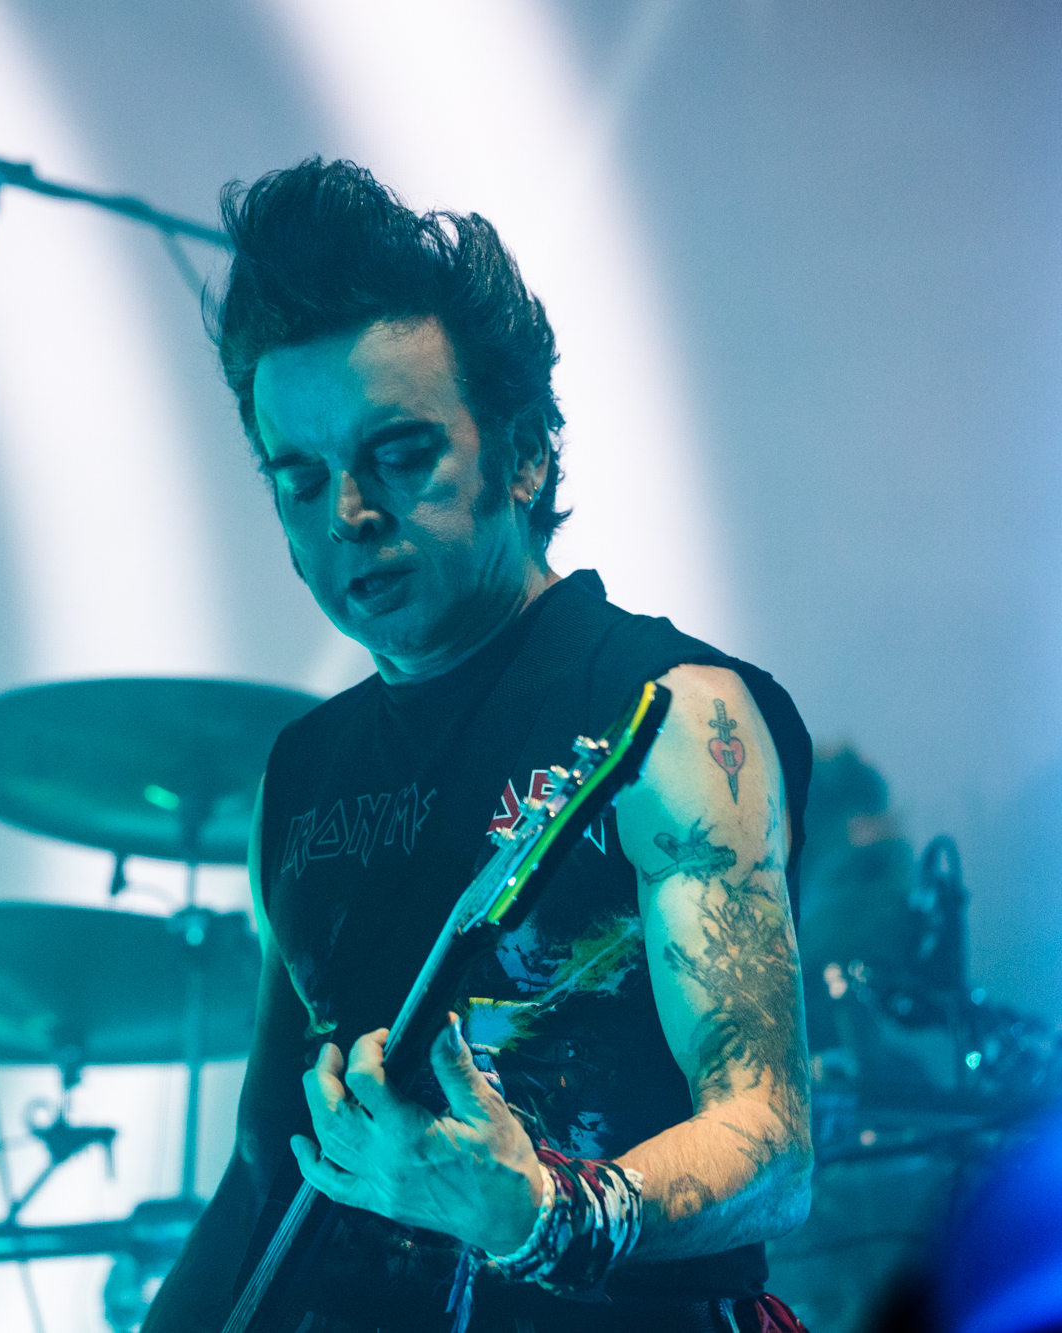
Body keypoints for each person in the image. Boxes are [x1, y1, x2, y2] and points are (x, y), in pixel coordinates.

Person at [143, 160, 816, 1332]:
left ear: (522, 456)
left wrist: (545, 1215)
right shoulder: (299, 772)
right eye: (297, 478)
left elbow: (770, 1136)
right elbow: (264, 1169)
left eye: (398, 454)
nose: (346, 510)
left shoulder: (670, 712)